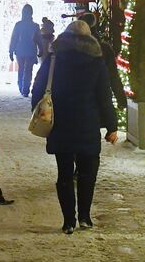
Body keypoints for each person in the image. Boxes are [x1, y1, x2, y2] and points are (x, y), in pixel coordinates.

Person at [31, 19, 118, 234]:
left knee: (64, 174)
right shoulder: (96, 62)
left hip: (61, 122)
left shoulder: (54, 59)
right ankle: (85, 217)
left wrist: (39, 111)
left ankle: (68, 220)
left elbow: (38, 88)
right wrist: (111, 125)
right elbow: (104, 96)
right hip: (88, 123)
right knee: (88, 173)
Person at [8, 4, 40, 97]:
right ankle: (25, 88)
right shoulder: (35, 26)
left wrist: (11, 51)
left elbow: (14, 38)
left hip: (20, 51)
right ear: (31, 13)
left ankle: (21, 87)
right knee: (28, 70)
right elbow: (38, 39)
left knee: (21, 69)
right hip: (30, 50)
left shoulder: (18, 25)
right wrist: (41, 50)